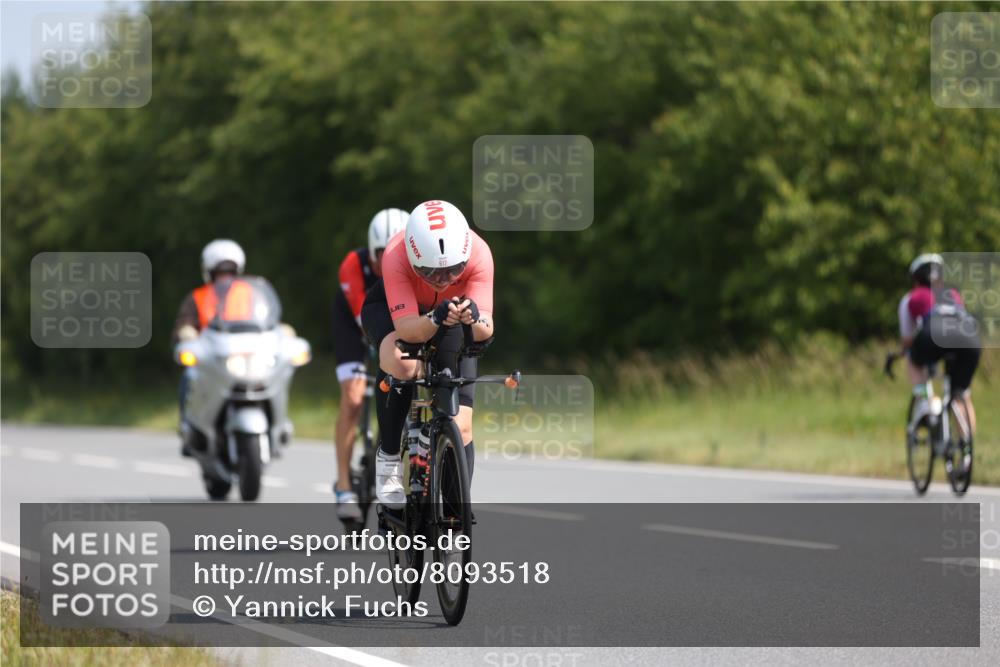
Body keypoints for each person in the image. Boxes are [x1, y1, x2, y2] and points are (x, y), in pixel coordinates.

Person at [360, 200, 494, 508]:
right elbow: (408, 331)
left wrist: (473, 317)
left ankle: (453, 511)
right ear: (413, 256)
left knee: (461, 424)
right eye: (431, 272)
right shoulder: (396, 253)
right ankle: (389, 456)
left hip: (451, 318)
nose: (444, 280)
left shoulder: (479, 252)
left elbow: (486, 330)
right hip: (397, 314)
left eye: (453, 271)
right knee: (402, 366)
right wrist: (434, 317)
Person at [331, 208, 408, 521]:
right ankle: (344, 486)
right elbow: (366, 319)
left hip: (398, 322)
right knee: (352, 399)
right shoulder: (354, 265)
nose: (388, 258)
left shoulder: (409, 268)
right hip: (356, 322)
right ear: (371, 249)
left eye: (395, 251)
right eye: (381, 253)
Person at [172, 239, 249, 455]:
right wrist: (185, 332)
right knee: (189, 377)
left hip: (247, 359)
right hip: (213, 362)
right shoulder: (198, 297)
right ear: (210, 273)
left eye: (230, 271)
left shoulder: (249, 294)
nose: (225, 277)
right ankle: (188, 427)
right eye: (220, 272)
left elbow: (266, 318)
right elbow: (184, 324)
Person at [893, 253, 981, 438]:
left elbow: (907, 340)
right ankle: (966, 450)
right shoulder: (954, 295)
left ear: (916, 278)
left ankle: (925, 403)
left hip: (933, 334)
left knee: (913, 358)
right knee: (961, 393)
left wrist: (903, 352)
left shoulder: (911, 297)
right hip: (970, 339)